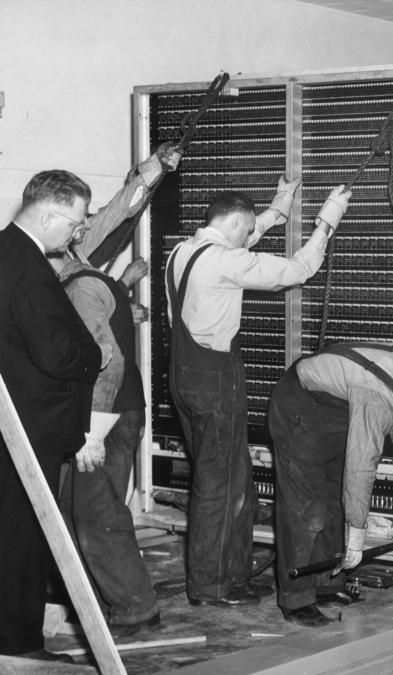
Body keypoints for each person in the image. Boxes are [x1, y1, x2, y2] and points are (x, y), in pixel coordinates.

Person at [166, 181, 351, 608]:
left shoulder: (182, 252)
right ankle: (212, 588)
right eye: (246, 228)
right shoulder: (225, 261)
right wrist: (327, 221)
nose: (248, 235)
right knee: (220, 486)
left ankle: (228, 577)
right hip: (215, 381)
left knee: (232, 481)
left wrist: (275, 212)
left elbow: (240, 247)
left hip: (184, 376)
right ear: (234, 222)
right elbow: (296, 271)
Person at [46, 144, 182, 639]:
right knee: (91, 510)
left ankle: (132, 609)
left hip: (103, 416)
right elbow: (112, 217)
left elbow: (107, 359)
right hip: (119, 412)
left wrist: (92, 433)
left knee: (96, 515)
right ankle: (95, 602)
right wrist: (150, 173)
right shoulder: (84, 271)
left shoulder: (74, 280)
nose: (84, 231)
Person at [268, 341, 393, 627]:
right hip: (299, 412)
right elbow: (361, 470)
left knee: (336, 503)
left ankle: (326, 586)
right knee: (306, 512)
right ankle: (296, 600)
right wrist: (357, 536)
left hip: (335, 411)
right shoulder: (375, 399)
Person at [0, 170, 111, 663]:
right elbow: (55, 354)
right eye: (76, 223)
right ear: (48, 215)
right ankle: (20, 645)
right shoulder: (27, 266)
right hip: (34, 426)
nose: (77, 233)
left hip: (11, 421)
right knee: (24, 539)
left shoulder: (6, 249)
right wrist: (96, 357)